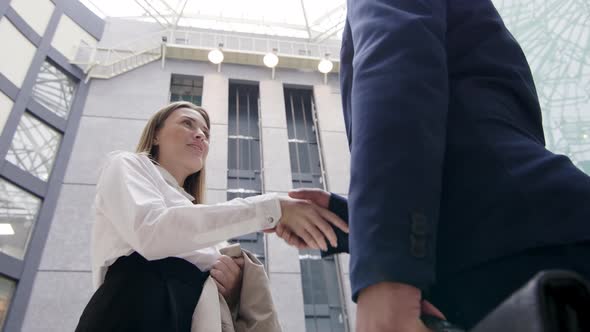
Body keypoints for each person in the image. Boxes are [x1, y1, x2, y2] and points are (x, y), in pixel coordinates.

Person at [273, 1, 590, 331]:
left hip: (516, 256)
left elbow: (397, 70)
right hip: (518, 243)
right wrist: (348, 222)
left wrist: (386, 276)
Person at [75, 101, 348, 331]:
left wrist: (231, 288)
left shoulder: (199, 221)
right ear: (156, 134)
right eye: (187, 124)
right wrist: (272, 208)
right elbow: (152, 231)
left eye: (205, 132)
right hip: (133, 310)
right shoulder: (127, 164)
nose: (200, 135)